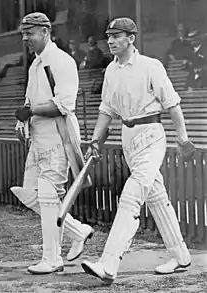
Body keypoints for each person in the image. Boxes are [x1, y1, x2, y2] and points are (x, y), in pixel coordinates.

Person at [81, 17, 195, 284]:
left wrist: (183, 139)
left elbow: (173, 105)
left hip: (152, 136)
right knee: (156, 196)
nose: (110, 41)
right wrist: (95, 140)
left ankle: (108, 263)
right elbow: (106, 110)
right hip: (128, 137)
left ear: (131, 39)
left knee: (131, 195)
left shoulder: (150, 66)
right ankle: (181, 257)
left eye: (116, 36)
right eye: (108, 36)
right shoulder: (111, 70)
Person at [11, 12, 94, 275]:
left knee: (48, 199)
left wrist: (30, 112)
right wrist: (22, 122)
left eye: (30, 33)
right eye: (23, 33)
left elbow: (64, 104)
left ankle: (52, 259)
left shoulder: (61, 61)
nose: (26, 38)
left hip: (59, 140)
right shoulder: (35, 64)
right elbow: (29, 103)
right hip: (37, 140)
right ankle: (77, 230)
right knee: (29, 195)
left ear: (45, 31)